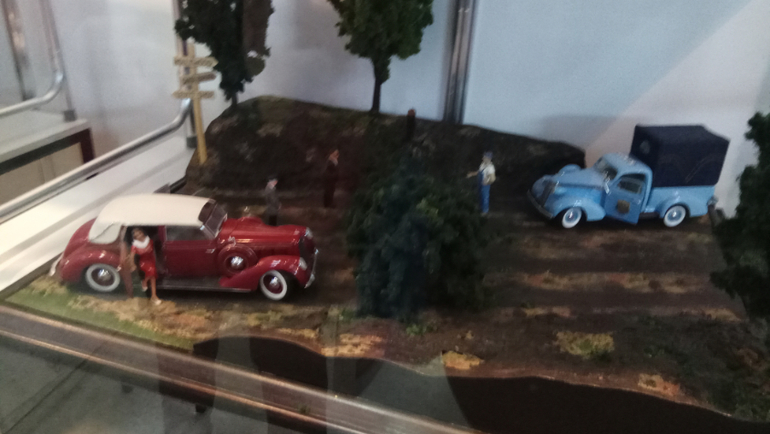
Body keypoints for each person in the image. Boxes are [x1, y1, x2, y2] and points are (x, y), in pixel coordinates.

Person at [127, 227, 161, 305]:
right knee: (152, 273)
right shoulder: (135, 246)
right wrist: (132, 265)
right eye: (136, 235)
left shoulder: (149, 241)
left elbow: (155, 251)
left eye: (139, 233)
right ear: (134, 237)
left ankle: (152, 292)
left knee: (153, 277)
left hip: (151, 261)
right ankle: (152, 294)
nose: (138, 236)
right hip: (143, 262)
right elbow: (131, 256)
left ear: (142, 233)